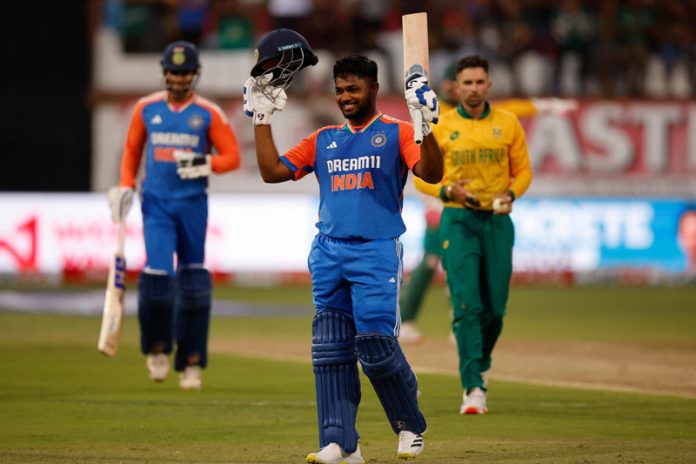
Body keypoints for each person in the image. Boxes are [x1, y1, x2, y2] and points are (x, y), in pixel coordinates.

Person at [243, 39, 443, 462]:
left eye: (353, 89)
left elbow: (432, 172)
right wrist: (261, 118)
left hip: (376, 253)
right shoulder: (324, 139)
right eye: (340, 90)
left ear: (373, 88)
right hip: (328, 252)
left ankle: (410, 425)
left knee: (374, 345)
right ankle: (340, 442)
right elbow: (272, 172)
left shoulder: (397, 132)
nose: (345, 98)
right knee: (330, 350)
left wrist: (426, 125)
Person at [400, 63, 575, 344]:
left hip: (475, 201)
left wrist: (550, 106)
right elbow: (424, 166)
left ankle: (460, 321)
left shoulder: (482, 115)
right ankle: (408, 319)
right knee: (434, 260)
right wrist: (432, 202)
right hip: (443, 200)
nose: (457, 91)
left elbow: (515, 108)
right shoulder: (435, 115)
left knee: (465, 264)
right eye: (449, 87)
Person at [108, 40, 241, 391]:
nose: (179, 79)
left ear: (194, 74)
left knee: (194, 284)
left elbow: (232, 157)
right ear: (164, 72)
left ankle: (192, 362)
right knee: (157, 279)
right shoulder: (146, 109)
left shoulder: (208, 113)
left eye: (185, 73)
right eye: (173, 72)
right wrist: (124, 186)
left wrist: (205, 162)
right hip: (157, 204)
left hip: (193, 205)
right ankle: (157, 348)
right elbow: (132, 149)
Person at [414, 55, 532, 415]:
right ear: (457, 87)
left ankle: (479, 362)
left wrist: (511, 195)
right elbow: (421, 175)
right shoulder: (442, 125)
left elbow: (524, 172)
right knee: (467, 304)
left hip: (496, 222)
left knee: (495, 309)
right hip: (458, 220)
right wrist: (448, 191)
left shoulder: (508, 123)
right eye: (467, 83)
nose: (474, 89)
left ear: (489, 85)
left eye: (480, 82)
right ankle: (473, 387)